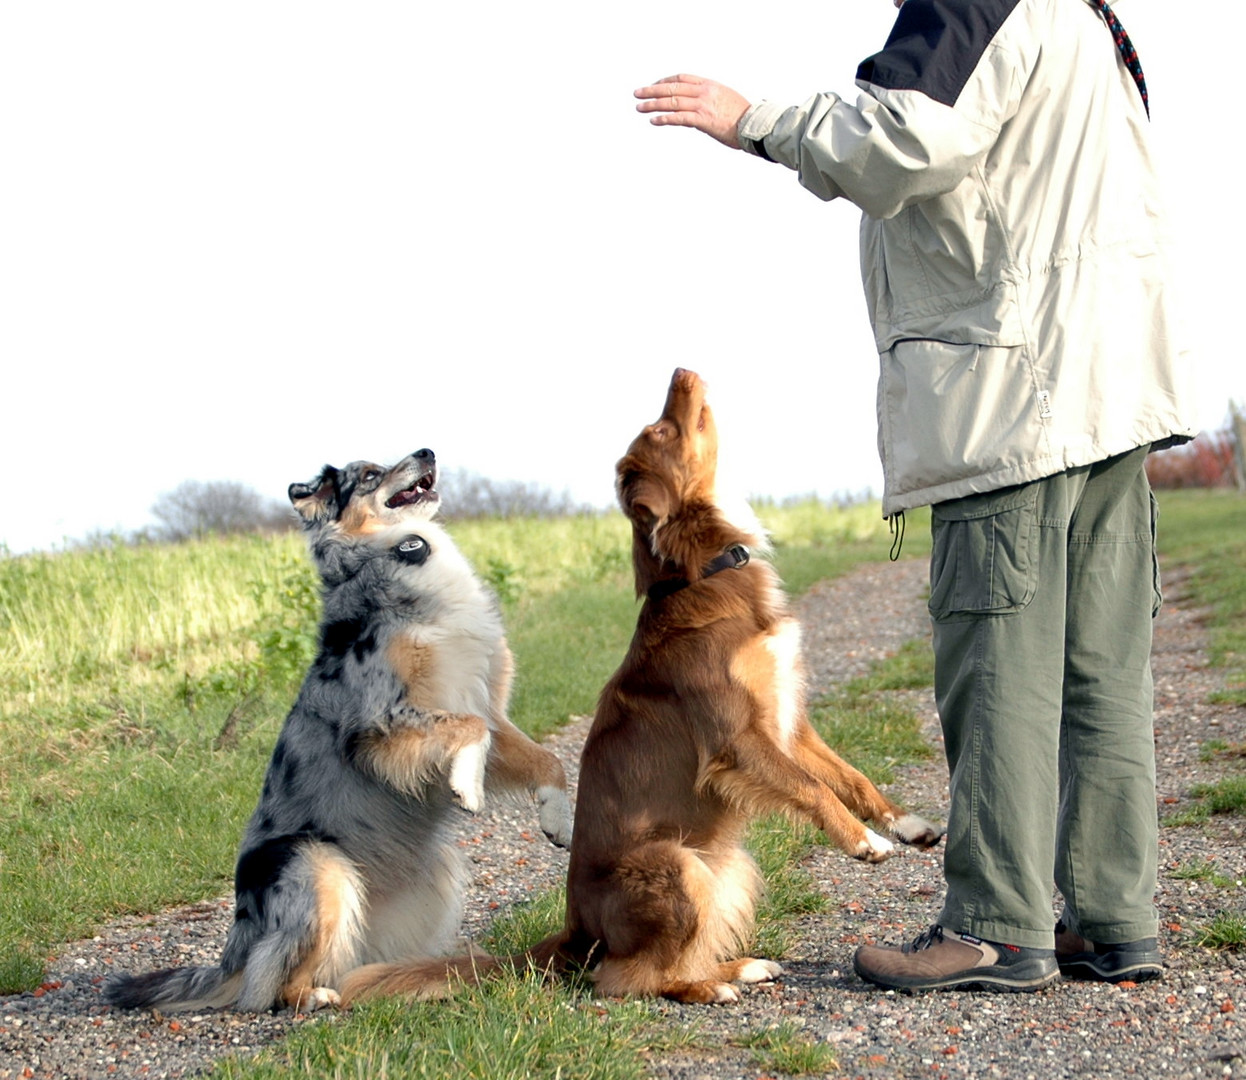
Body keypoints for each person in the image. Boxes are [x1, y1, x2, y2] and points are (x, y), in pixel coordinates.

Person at [635, 0, 1196, 993]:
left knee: (999, 673)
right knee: (1098, 672)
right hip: (1110, 395)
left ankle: (995, 925)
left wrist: (753, 118)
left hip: (1014, 398)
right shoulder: (1087, 13)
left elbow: (901, 140)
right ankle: (1115, 920)